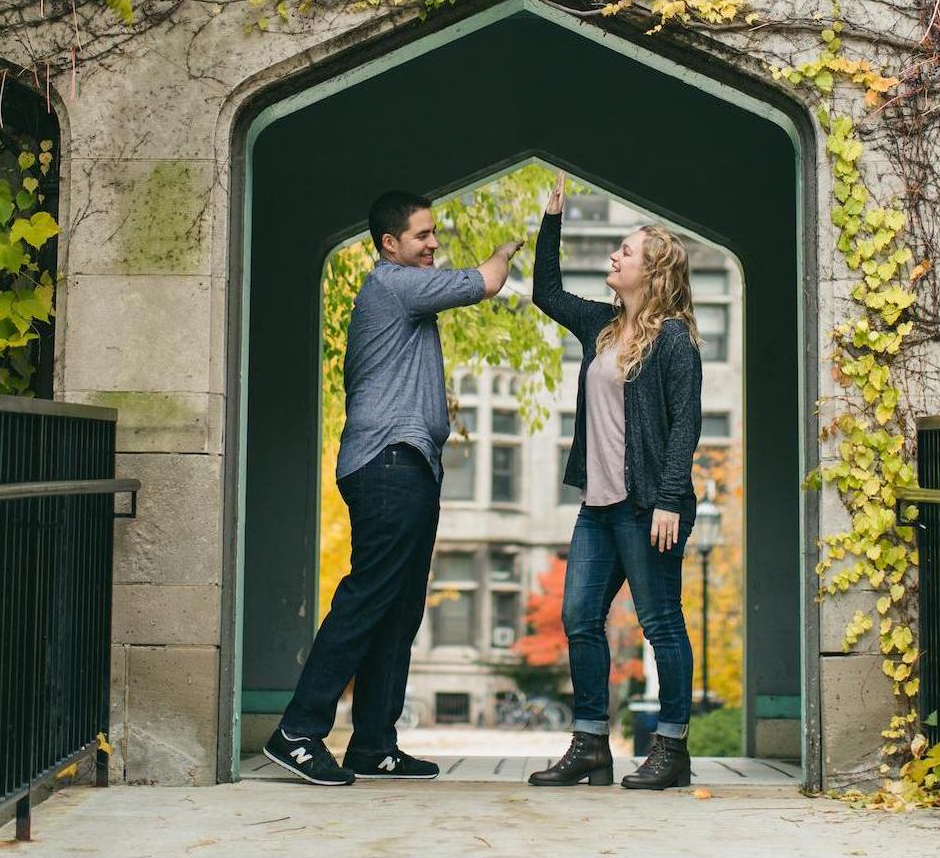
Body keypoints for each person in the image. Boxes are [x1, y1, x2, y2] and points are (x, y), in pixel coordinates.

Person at [264, 190, 524, 786]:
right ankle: (298, 731)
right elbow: (485, 282)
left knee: (400, 608)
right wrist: (505, 250)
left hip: (410, 466)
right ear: (389, 244)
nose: (433, 243)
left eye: (434, 233)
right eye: (422, 235)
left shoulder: (403, 291)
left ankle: (373, 744)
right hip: (389, 464)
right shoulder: (393, 284)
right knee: (368, 596)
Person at [527, 172, 703, 792]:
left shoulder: (674, 339)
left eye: (625, 252)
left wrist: (670, 499)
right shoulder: (602, 326)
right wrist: (552, 220)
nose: (613, 257)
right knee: (579, 618)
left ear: (652, 272)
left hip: (649, 507)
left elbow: (686, 423)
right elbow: (546, 292)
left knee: (661, 624)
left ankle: (671, 749)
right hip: (598, 507)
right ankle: (591, 745)